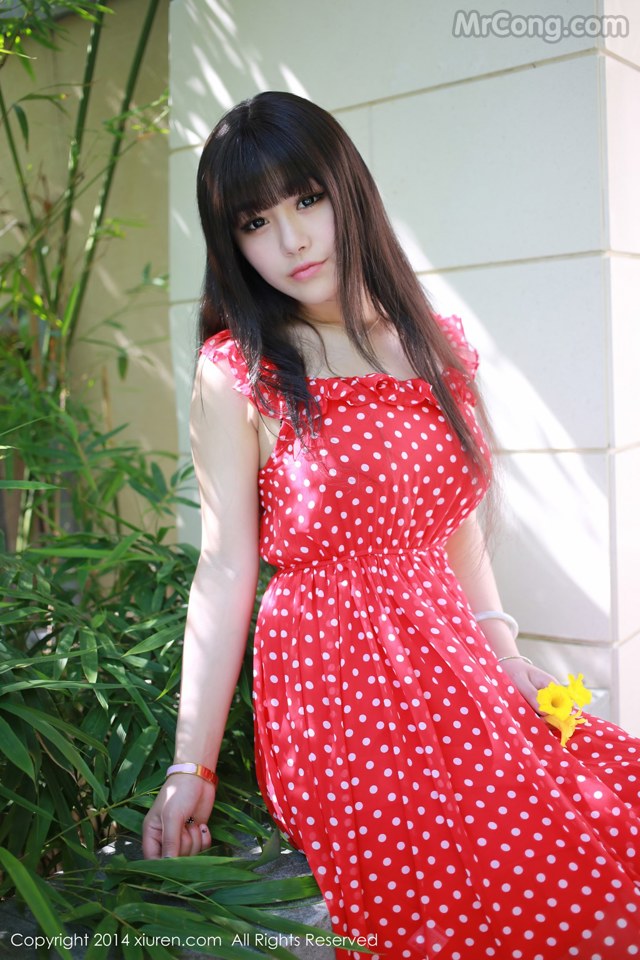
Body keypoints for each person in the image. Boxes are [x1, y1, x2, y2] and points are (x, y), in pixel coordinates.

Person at [142, 92, 640, 960]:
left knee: (594, 829)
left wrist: (507, 653)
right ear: (233, 243)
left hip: (451, 659)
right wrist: (194, 767)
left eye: (307, 199)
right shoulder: (239, 371)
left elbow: (455, 531)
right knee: (462, 905)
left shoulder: (433, 342)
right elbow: (223, 571)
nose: (291, 239)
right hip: (335, 689)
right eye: (256, 221)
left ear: (349, 190)